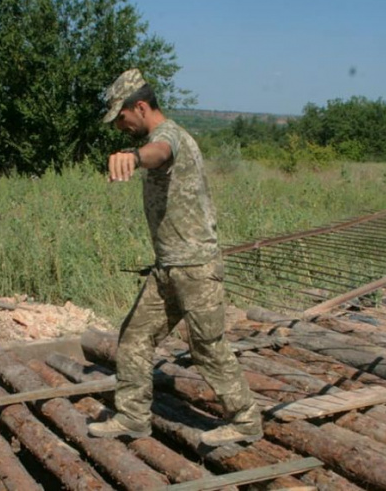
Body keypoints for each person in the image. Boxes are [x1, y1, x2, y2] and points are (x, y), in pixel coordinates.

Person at [87, 68, 263, 446]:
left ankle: (247, 421)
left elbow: (158, 154)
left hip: (196, 268)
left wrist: (134, 158)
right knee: (134, 337)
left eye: (122, 117)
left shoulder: (167, 138)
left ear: (141, 106)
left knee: (207, 347)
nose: (120, 126)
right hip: (168, 268)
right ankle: (133, 416)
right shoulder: (159, 135)